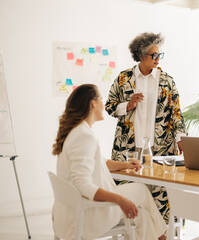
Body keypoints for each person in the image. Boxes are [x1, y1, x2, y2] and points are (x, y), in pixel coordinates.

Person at [52, 84, 167, 240]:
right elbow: (82, 184)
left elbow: (99, 163)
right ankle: (163, 236)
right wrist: (121, 200)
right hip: (90, 214)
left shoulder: (76, 132)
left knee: (143, 217)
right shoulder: (84, 137)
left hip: (69, 213)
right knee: (141, 190)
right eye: (101, 98)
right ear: (93, 104)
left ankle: (161, 237)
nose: (103, 102)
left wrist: (126, 165)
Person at [105, 32, 186, 223]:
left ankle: (164, 234)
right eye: (153, 55)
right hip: (128, 149)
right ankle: (132, 232)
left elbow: (176, 114)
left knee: (161, 196)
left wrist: (180, 138)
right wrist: (128, 105)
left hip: (160, 149)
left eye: (160, 55)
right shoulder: (124, 78)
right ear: (141, 55)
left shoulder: (167, 81)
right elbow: (109, 106)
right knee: (132, 195)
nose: (158, 59)